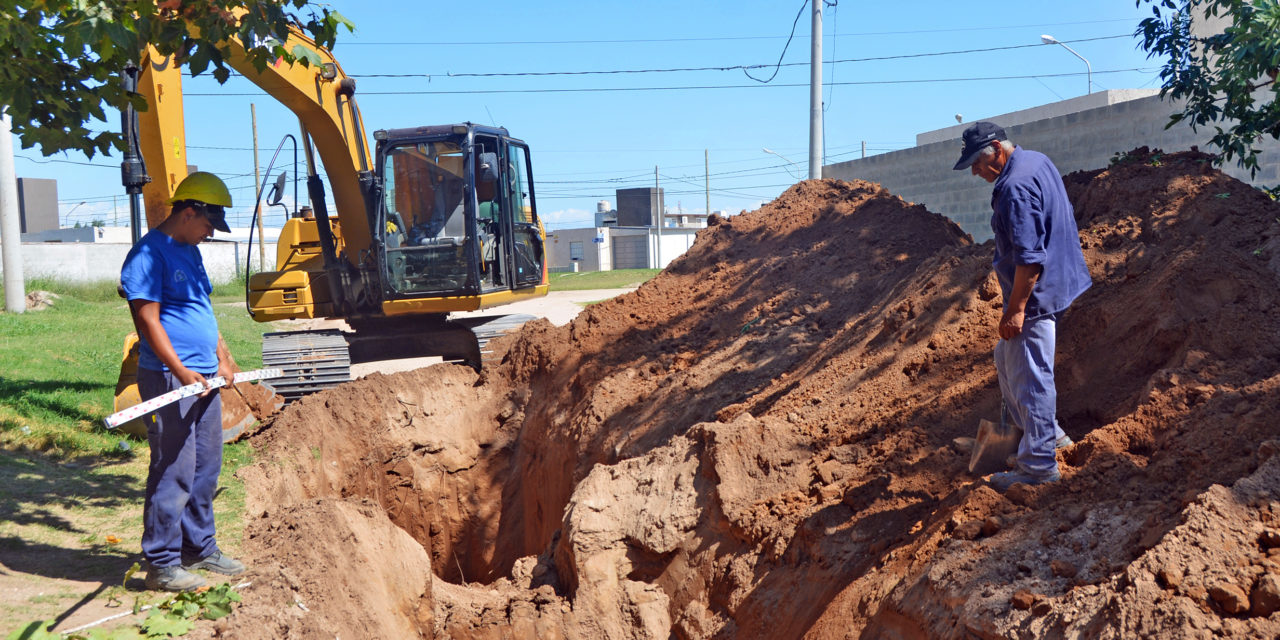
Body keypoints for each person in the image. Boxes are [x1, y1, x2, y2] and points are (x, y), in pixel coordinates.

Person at [119, 172, 248, 591]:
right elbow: (146, 319)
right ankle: (162, 561)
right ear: (189, 212)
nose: (210, 234)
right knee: (174, 467)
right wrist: (177, 369)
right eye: (208, 225)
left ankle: (200, 548)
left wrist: (223, 357)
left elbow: (201, 310)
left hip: (204, 378)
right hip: (168, 378)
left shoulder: (190, 251)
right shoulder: (148, 255)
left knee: (207, 466)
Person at [953, 122, 1092, 491]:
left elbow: (1029, 260)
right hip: (1060, 279)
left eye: (978, 163)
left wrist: (1016, 310)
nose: (975, 172)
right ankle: (1048, 437)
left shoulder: (1014, 188)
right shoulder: (1035, 160)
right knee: (1006, 359)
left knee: (1031, 377)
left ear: (997, 149)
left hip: (1036, 293)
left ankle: (1038, 467)